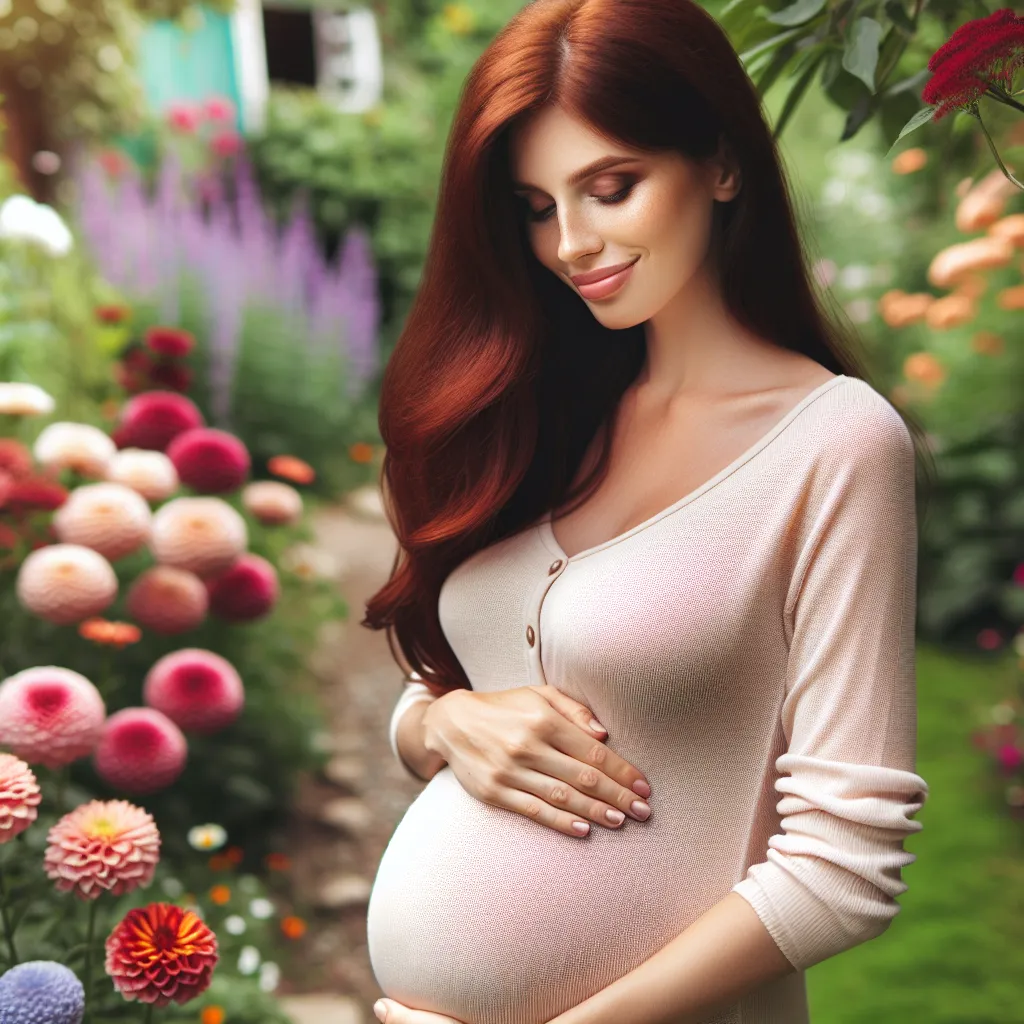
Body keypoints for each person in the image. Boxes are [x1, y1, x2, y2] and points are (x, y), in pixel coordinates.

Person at [363, 1, 935, 1022]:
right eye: (536, 206)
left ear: (719, 165)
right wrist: (445, 724)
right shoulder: (539, 409)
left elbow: (845, 862)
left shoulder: (832, 443)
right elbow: (449, 682)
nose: (571, 243)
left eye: (611, 188)